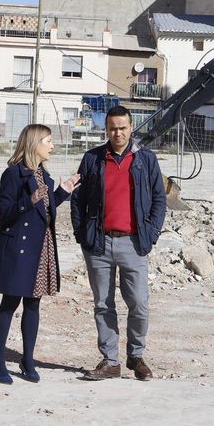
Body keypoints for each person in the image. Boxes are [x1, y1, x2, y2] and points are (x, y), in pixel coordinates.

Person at [70, 106, 167, 381]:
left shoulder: (145, 159)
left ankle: (136, 356)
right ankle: (110, 361)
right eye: (113, 128)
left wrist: (152, 234)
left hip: (134, 244)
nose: (118, 133)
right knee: (103, 304)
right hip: (98, 245)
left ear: (131, 128)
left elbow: (159, 200)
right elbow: (77, 200)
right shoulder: (92, 159)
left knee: (139, 304)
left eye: (123, 128)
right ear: (106, 130)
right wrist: (82, 235)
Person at [0, 124, 80, 384]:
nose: (52, 146)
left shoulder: (44, 176)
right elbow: (3, 212)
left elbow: (44, 208)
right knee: (10, 304)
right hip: (18, 249)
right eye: (48, 141)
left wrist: (62, 193)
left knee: (33, 304)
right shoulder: (13, 174)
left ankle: (27, 359)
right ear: (34, 143)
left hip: (41, 246)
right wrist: (28, 200)